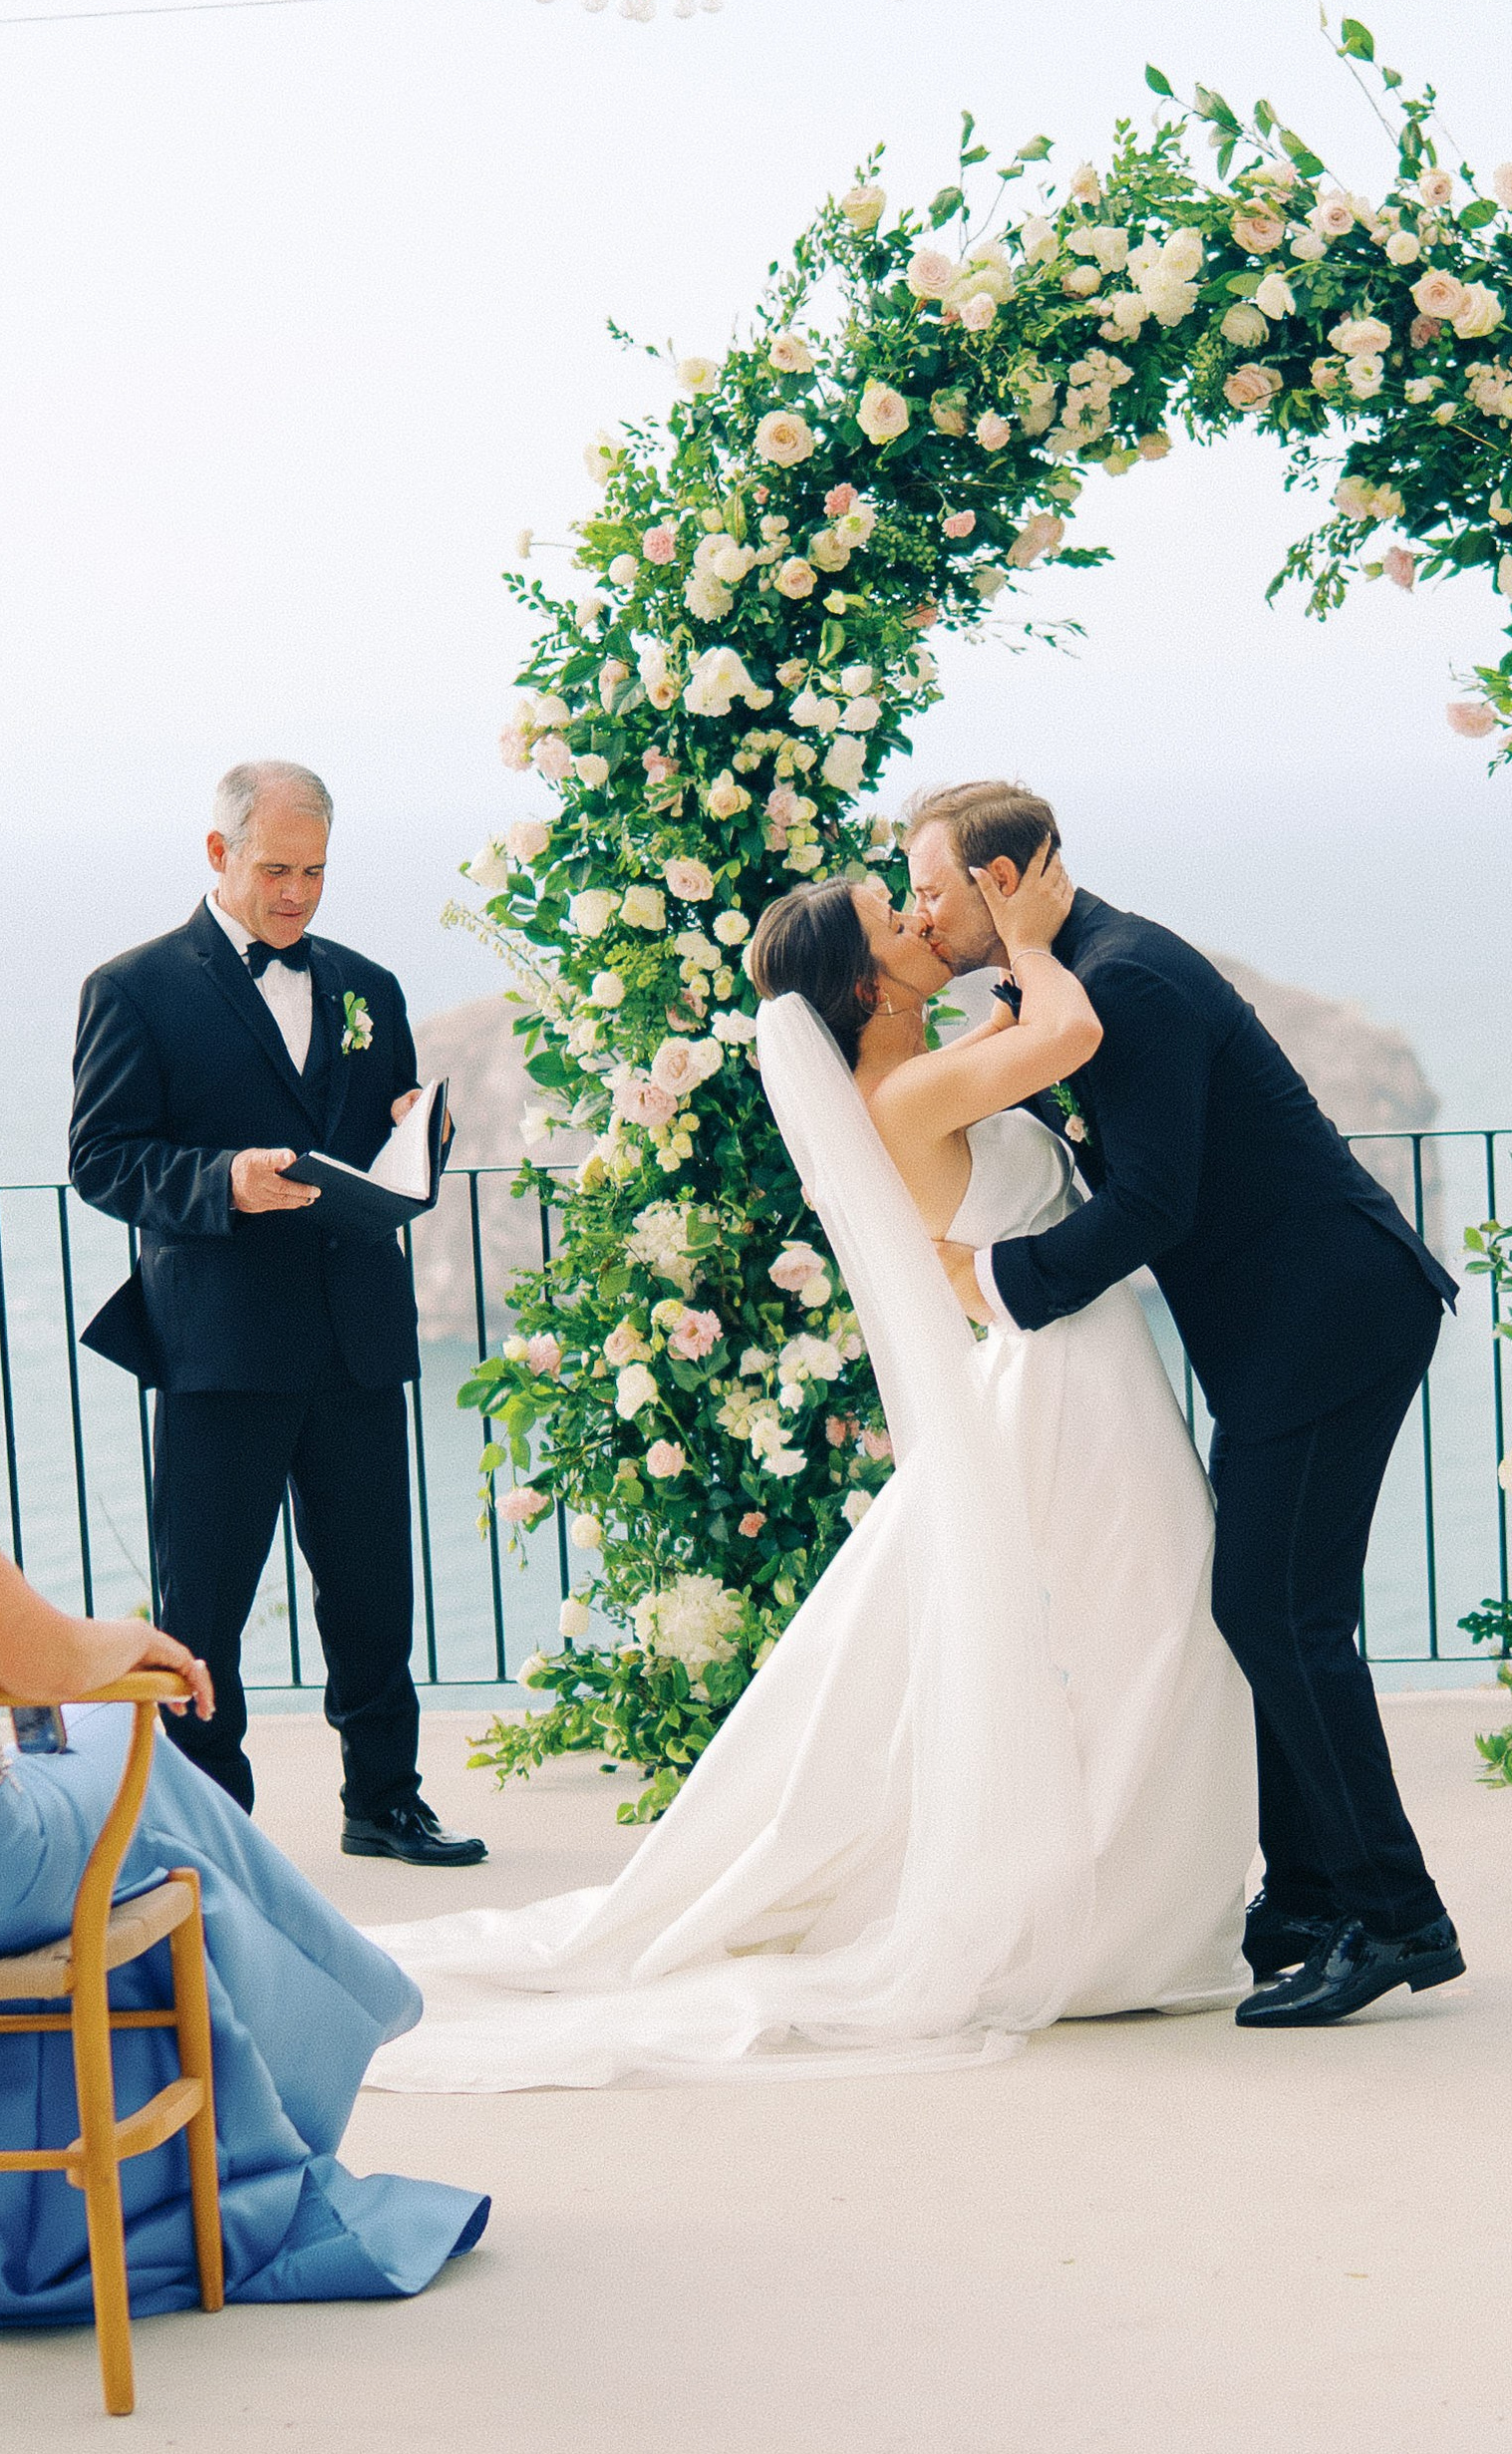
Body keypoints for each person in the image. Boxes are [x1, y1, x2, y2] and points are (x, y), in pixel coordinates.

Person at [360, 845, 1257, 2086]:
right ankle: (1120, 1926)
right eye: (896, 920)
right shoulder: (906, 1095)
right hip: (1071, 1381)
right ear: (868, 985)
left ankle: (1141, 1903)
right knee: (1157, 1626)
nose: (920, 920)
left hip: (1076, 1365)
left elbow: (1026, 1067)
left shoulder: (918, 1072)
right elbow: (1069, 1036)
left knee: (1144, 1629)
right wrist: (1027, 930)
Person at [907, 783, 1462, 2028]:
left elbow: (1153, 1203)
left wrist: (1001, 1284)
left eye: (932, 889)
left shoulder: (1131, 980)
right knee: (1274, 1610)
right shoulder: (1071, 979)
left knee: (1275, 1612)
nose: (920, 912)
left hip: (1330, 1317)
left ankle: (1394, 1918)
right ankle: (1307, 1900)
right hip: (1287, 1332)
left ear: (1006, 879)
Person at [0, 1439, 487, 2327]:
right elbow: (43, 1659)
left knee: (104, 1789)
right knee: (130, 1753)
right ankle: (352, 2001)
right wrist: (141, 1641)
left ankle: (345, 1998)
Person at [68, 760, 483, 1866]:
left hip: (355, 1336)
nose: (297, 894)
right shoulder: (134, 988)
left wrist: (422, 1138)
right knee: (204, 1604)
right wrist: (224, 1182)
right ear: (220, 854)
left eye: (315, 872)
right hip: (221, 1346)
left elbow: (387, 1148)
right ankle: (215, 1832)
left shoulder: (367, 986)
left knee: (372, 1591)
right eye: (276, 870)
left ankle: (385, 1802)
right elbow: (102, 1159)